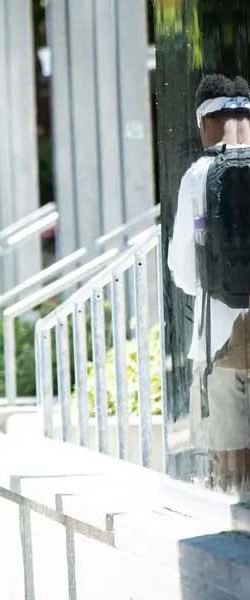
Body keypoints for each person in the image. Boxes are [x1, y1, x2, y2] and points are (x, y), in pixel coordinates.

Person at [167, 73, 250, 493]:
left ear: (204, 125)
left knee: (230, 472)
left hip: (218, 341)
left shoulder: (198, 177)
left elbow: (181, 268)